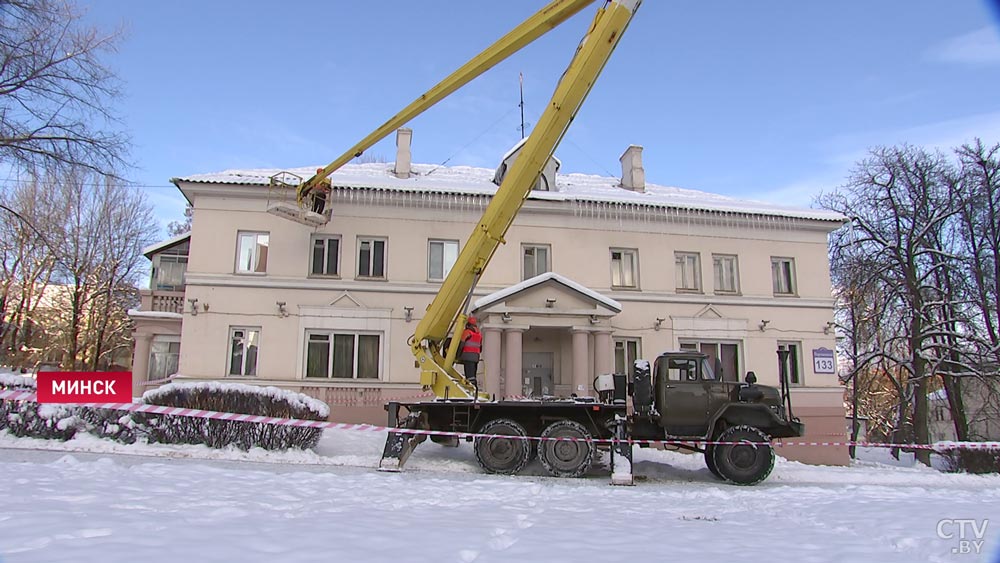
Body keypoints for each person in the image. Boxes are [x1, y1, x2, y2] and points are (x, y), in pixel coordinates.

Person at [460, 316, 482, 386]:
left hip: (467, 356)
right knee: (473, 376)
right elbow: (480, 347)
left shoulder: (467, 332)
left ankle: (471, 387)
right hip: (476, 357)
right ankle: (474, 388)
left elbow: (461, 344)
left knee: (469, 376)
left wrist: (458, 355)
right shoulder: (479, 334)